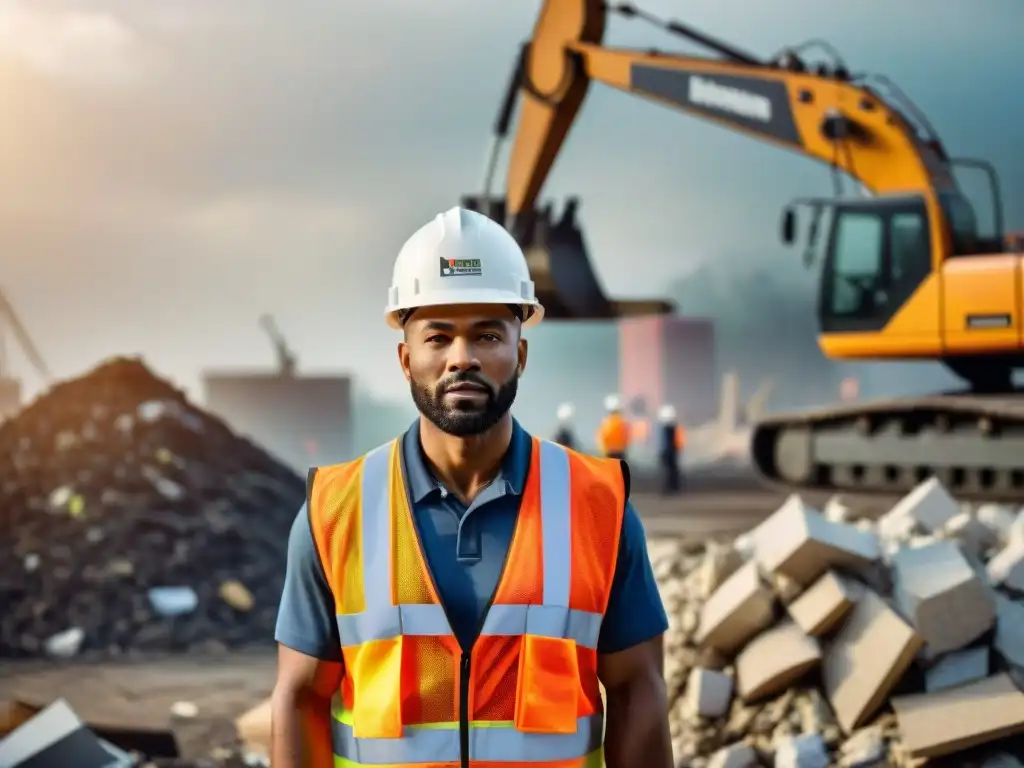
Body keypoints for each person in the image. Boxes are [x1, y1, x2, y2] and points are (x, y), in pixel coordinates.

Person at [270, 207, 672, 768]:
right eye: (439, 336)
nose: (463, 358)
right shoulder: (336, 511)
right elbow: (299, 698)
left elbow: (639, 691)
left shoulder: (597, 506)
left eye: (487, 334)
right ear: (406, 359)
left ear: (521, 354)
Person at [657, 404, 685, 494]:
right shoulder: (674, 428)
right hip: (673, 452)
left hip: (670, 452)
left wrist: (663, 453)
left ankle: (670, 488)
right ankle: (673, 488)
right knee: (672, 471)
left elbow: (667, 443)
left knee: (669, 471)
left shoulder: (668, 429)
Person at [597, 393, 630, 460]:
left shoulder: (607, 422)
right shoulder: (621, 423)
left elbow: (601, 438)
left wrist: (604, 451)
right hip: (617, 453)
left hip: (611, 453)